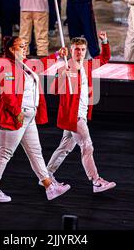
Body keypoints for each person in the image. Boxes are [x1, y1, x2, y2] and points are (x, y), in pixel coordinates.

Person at [0, 37, 71, 202]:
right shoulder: (6, 66)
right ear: (11, 49)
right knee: (4, 154)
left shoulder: (24, 64)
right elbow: (7, 93)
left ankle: (49, 187)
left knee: (35, 152)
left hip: (28, 117)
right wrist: (17, 112)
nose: (25, 48)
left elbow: (41, 65)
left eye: (25, 45)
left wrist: (58, 55)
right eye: (21, 46)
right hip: (14, 117)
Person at [46, 32, 116, 193]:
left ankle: (46, 176)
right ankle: (96, 181)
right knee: (87, 146)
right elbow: (53, 90)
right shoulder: (65, 67)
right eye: (77, 49)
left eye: (83, 49)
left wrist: (104, 41)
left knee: (64, 148)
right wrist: (61, 76)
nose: (80, 52)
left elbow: (105, 58)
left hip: (79, 114)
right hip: (73, 116)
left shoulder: (87, 65)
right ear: (71, 50)